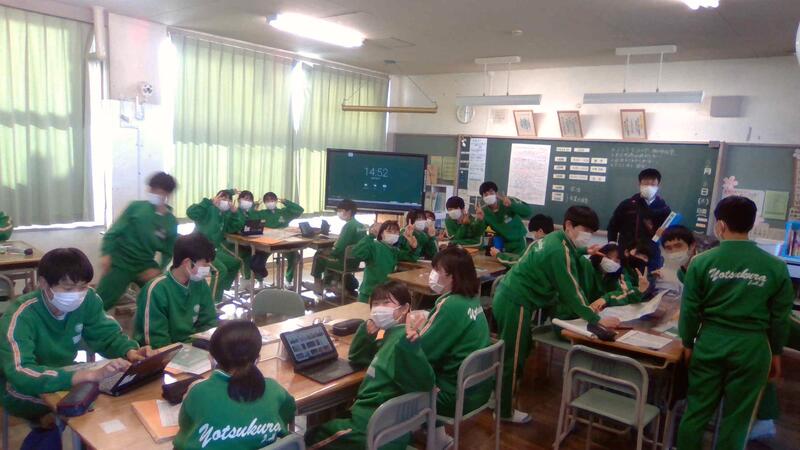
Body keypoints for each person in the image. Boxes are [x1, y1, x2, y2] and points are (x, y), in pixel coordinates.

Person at [677, 196, 793, 450]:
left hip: (710, 344)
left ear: (720, 225)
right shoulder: (775, 266)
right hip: (752, 349)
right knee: (737, 420)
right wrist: (776, 352)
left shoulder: (701, 262)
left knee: (696, 413)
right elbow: (780, 318)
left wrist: (687, 342)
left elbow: (690, 310)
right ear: (751, 224)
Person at [0, 248, 152, 439]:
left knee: (107, 401)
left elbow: (107, 335)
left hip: (66, 372)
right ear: (43, 283)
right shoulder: (20, 315)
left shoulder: (88, 299)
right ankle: (47, 427)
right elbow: (20, 373)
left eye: (83, 286)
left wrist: (130, 351)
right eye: (68, 288)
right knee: (77, 412)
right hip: (19, 387)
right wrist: (86, 375)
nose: (78, 294)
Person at [492, 206, 620, 423]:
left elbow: (565, 253)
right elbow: (572, 293)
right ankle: (504, 411)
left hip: (510, 297)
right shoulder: (558, 251)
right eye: (586, 230)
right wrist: (597, 319)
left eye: (592, 232)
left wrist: (585, 251)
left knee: (517, 351)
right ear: (569, 225)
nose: (588, 236)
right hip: (516, 302)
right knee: (513, 358)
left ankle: (496, 398)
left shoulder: (555, 239)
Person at [306, 282, 434, 450]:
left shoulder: (404, 341)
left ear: (404, 309)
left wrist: (410, 348)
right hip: (391, 428)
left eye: (386, 303)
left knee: (309, 438)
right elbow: (357, 357)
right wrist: (366, 334)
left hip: (370, 429)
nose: (379, 309)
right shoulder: (388, 335)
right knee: (332, 417)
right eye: (376, 304)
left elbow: (424, 382)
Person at [407, 246, 491, 446]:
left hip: (453, 397)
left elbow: (422, 352)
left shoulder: (451, 305)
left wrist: (410, 331)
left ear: (452, 276)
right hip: (479, 390)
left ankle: (393, 438)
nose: (432, 274)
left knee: (400, 373)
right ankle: (435, 435)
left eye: (437, 270)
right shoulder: (472, 299)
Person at [174, 320, 296, 450]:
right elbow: (288, 414)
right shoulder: (274, 390)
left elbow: (185, 432)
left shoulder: (198, 393)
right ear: (258, 359)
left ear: (212, 358)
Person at [96, 172, 179, 310]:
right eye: (151, 189)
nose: (153, 193)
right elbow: (113, 232)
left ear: (167, 194)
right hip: (120, 262)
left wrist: (158, 269)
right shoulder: (136, 208)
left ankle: (147, 322)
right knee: (101, 301)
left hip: (145, 264)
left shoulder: (170, 222)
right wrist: (106, 254)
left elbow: (169, 251)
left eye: (158, 191)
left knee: (161, 297)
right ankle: (84, 322)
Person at [134, 233, 218, 349]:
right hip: (164, 352)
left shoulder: (200, 284)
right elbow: (156, 342)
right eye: (205, 264)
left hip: (192, 348)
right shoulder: (157, 290)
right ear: (188, 263)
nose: (207, 270)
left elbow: (209, 322)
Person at [187, 189, 245, 303]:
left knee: (236, 263)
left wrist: (235, 213)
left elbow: (237, 226)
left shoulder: (225, 215)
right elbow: (190, 212)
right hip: (198, 249)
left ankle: (218, 292)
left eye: (228, 199)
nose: (225, 201)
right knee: (220, 270)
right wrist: (208, 202)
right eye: (222, 197)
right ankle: (210, 302)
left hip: (213, 250)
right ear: (216, 198)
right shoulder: (208, 209)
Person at [606, 168, 671, 270]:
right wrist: (612, 246)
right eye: (645, 184)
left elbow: (668, 234)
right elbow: (613, 226)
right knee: (625, 278)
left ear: (658, 186)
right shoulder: (627, 205)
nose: (649, 187)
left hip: (650, 255)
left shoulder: (664, 209)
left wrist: (665, 234)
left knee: (649, 279)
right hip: (626, 253)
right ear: (639, 184)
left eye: (652, 184)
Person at [350, 221, 417, 303]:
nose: (393, 234)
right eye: (389, 231)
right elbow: (357, 253)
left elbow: (411, 257)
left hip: (385, 293)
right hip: (369, 294)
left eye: (396, 232)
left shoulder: (394, 250)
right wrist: (371, 236)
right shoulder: (374, 245)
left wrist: (413, 247)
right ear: (381, 234)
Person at [248, 192, 305, 286]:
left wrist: (285, 202)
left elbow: (299, 210)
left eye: (272, 200)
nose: (270, 202)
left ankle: (288, 279)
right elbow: (250, 216)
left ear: (276, 200)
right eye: (267, 200)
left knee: (295, 256)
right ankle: (260, 280)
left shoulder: (284, 212)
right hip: (267, 243)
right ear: (265, 203)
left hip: (283, 242)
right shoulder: (261, 213)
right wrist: (254, 205)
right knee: (257, 259)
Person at [311, 199, 366, 293]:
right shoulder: (362, 226)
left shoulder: (349, 226)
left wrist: (329, 252)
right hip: (356, 262)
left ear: (349, 211)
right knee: (327, 255)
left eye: (340, 210)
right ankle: (332, 283)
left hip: (344, 263)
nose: (338, 213)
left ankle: (318, 285)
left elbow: (338, 249)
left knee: (319, 255)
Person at [582, 242, 652, 314]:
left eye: (617, 261)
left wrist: (640, 290)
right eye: (608, 257)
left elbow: (626, 294)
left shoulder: (619, 275)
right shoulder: (586, 266)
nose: (611, 262)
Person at [477, 181, 533, 255]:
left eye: (491, 192)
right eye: (485, 194)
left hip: (518, 243)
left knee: (519, 261)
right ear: (483, 198)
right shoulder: (483, 212)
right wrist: (480, 220)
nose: (489, 195)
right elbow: (480, 232)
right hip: (501, 245)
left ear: (496, 193)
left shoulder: (508, 201)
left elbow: (528, 212)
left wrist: (511, 205)